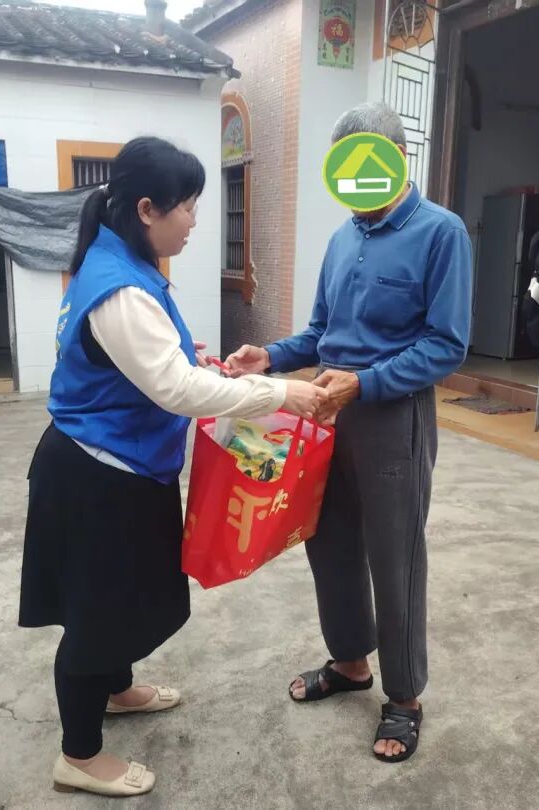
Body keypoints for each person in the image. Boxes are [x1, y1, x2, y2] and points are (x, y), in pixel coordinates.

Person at [19, 137, 328, 797]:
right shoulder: (120, 288)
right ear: (147, 209)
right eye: (187, 207)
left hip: (124, 466)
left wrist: (190, 359)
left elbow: (157, 366)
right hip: (97, 475)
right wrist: (280, 392)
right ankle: (78, 756)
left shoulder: (120, 260)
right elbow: (176, 391)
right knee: (98, 609)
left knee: (126, 596)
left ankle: (115, 688)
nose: (193, 221)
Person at [227, 102, 472, 764]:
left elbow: (446, 344)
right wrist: (269, 356)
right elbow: (321, 332)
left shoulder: (441, 233)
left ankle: (405, 696)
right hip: (325, 414)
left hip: (393, 417)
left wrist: (365, 383)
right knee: (328, 541)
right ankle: (350, 662)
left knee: (395, 556)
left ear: (397, 161)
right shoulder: (342, 238)